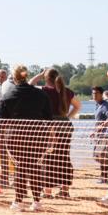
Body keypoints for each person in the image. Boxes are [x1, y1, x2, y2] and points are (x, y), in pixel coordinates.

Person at [0, 65, 53, 211]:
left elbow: (2, 121)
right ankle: (37, 201)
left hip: (15, 136)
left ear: (14, 78)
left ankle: (19, 201)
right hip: (38, 135)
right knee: (35, 166)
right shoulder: (40, 94)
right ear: (26, 76)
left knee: (20, 167)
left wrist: (0, 139)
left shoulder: (7, 95)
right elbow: (48, 117)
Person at [31, 68, 81, 198]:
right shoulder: (67, 91)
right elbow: (78, 106)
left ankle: (47, 191)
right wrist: (67, 116)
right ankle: (65, 190)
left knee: (48, 158)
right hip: (65, 126)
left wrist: (40, 75)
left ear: (46, 78)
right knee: (64, 157)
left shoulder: (44, 90)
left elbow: (29, 84)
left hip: (50, 126)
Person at [90, 85, 108, 185]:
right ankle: (105, 178)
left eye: (96, 93)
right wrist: (95, 131)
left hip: (105, 135)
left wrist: (101, 127)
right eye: (93, 93)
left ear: (101, 95)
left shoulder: (105, 105)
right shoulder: (97, 105)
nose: (94, 95)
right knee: (103, 157)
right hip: (100, 135)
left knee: (105, 157)